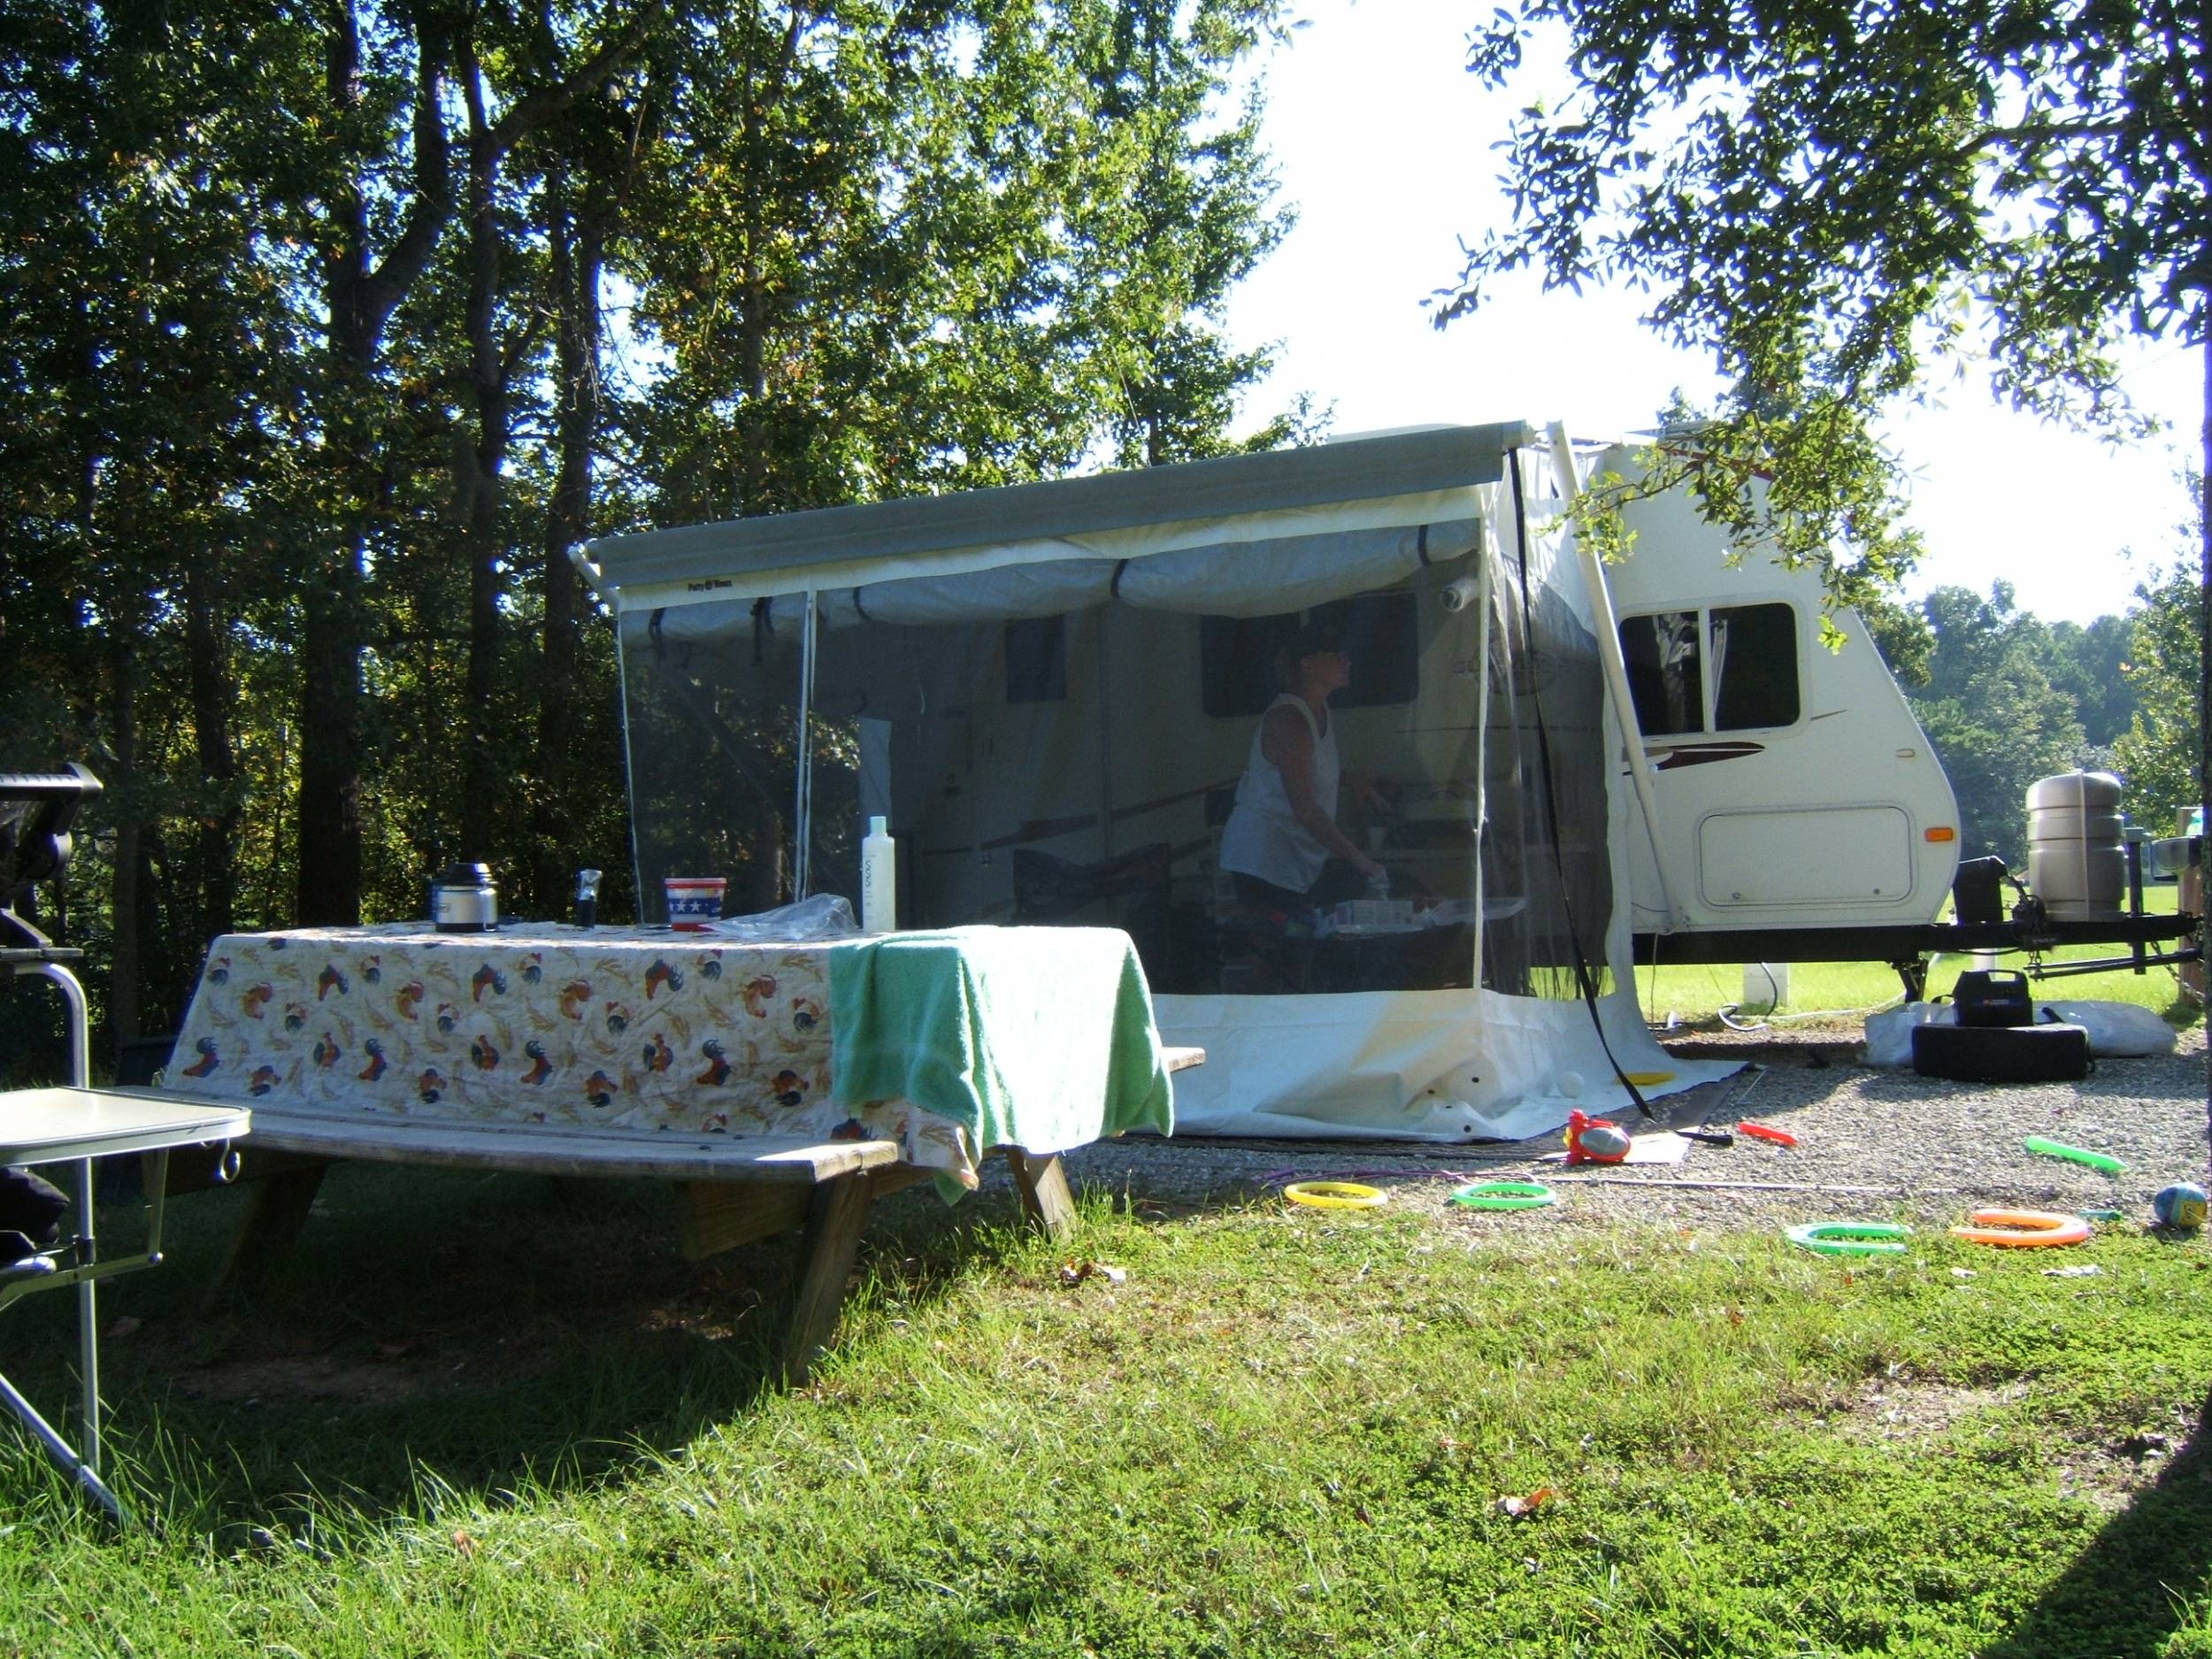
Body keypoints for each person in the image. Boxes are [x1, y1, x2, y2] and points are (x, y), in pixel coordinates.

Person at [1217, 621, 1393, 918]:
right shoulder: (1289, 720)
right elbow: (1306, 810)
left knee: (1299, 950)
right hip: (1264, 858)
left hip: (1292, 856)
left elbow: (1309, 770)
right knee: (1279, 954)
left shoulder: (1320, 709)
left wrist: (1353, 782)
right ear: (1308, 664)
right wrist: (1360, 860)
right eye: (1336, 655)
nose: (1346, 662)